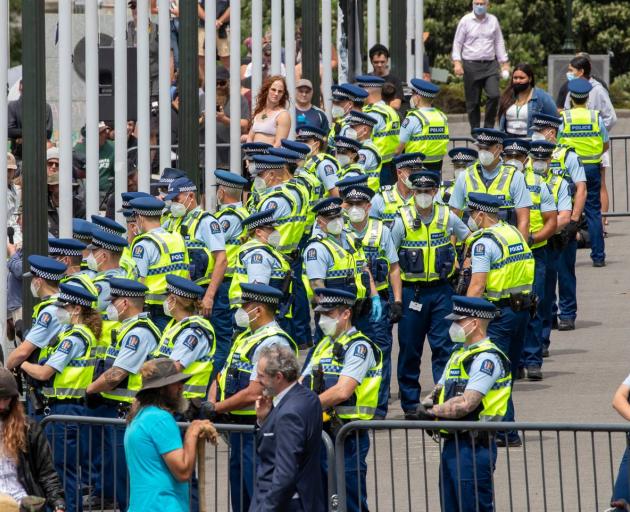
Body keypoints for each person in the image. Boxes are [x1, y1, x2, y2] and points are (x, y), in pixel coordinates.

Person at [201, 283, 298, 512]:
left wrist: (216, 408)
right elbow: (221, 374)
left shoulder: (273, 341)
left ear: (260, 309)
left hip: (258, 429)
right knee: (241, 499)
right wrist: (213, 401)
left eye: (246, 305)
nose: (241, 310)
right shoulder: (247, 337)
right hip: (239, 431)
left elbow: (257, 391)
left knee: (260, 497)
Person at [416, 296, 511, 512]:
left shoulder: (487, 359)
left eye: (459, 321)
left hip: (474, 447)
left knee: (473, 505)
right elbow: (438, 389)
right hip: (453, 443)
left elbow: (468, 403)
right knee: (450, 504)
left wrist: (431, 413)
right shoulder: (459, 355)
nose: (453, 326)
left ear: (475, 323)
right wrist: (426, 404)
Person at [389, 170, 470, 418]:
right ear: (412, 193)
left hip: (441, 291)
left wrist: (463, 267)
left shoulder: (446, 215)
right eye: (418, 191)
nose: (423, 196)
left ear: (435, 192)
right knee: (410, 349)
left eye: (427, 191)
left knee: (444, 347)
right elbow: (392, 261)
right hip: (413, 293)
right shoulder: (401, 219)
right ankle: (410, 403)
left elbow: (470, 237)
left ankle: (442, 399)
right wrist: (397, 300)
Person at [20, 282, 101, 512]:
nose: (60, 310)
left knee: (62, 472)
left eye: (64, 306)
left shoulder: (74, 337)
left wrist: (24, 364)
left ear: (76, 309)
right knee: (63, 470)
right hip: (67, 410)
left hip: (65, 411)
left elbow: (45, 372)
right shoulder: (76, 333)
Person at [301, 287, 383, 512]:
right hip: (321, 433)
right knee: (322, 501)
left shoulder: (359, 347)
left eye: (328, 314)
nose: (322, 320)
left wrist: (302, 407)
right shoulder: (324, 345)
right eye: (320, 314)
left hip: (347, 436)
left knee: (349, 502)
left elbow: (343, 391)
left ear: (345, 314)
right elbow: (302, 381)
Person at [463, 192, 534, 446]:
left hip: (498, 315)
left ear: (481, 215)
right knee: (509, 370)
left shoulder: (484, 243)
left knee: (495, 372)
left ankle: (505, 431)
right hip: (522, 310)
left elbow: (477, 285)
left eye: (471, 214)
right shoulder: (512, 233)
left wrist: (465, 317)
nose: (470, 219)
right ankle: (504, 429)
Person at [124, 358, 218, 512]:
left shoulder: (139, 417)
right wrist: (192, 432)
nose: (181, 387)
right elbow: (183, 472)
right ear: (162, 388)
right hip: (162, 506)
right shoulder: (160, 419)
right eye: (176, 383)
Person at [341, 182, 402, 419]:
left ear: (368, 206)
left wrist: (397, 301)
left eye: (360, 204)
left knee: (379, 355)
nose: (355, 208)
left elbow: (394, 268)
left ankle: (377, 409)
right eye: (351, 204)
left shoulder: (381, 230)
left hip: (378, 305)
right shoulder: (339, 230)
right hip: (348, 305)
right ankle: (348, 405)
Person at [250, 344, 325, 512]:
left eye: (261, 376)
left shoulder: (289, 414)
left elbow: (285, 472)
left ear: (278, 376)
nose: (257, 380)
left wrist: (266, 508)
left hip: (286, 504)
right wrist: (263, 420)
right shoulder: (308, 397)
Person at [530, 113, 586, 332]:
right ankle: (549, 314)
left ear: (551, 133)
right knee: (545, 276)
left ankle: (568, 312)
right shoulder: (532, 156)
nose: (534, 136)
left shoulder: (568, 156)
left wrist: (573, 221)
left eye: (538, 132)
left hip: (564, 224)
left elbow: (581, 188)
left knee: (564, 272)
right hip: (542, 226)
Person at [522, 140, 571, 379]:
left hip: (547, 243)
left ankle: (540, 344)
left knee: (543, 297)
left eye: (544, 159)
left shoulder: (557, 182)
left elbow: (563, 216)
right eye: (536, 158)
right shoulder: (522, 180)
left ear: (550, 160)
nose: (540, 162)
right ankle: (527, 352)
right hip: (523, 246)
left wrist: (542, 233)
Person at [563, 55, 617, 230]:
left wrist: (597, 135)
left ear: (581, 71)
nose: (568, 73)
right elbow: (566, 113)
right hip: (574, 152)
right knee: (575, 188)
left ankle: (600, 223)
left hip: (595, 149)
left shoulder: (597, 90)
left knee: (598, 186)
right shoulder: (572, 89)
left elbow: (611, 117)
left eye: (571, 70)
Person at [559, 78, 609, 268]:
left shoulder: (565, 118)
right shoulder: (595, 117)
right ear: (587, 98)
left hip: (570, 169)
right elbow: (605, 143)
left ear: (571, 98)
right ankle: (598, 256)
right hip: (591, 168)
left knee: (567, 209)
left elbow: (558, 143)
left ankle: (566, 252)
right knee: (593, 211)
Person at [448, 128, 532, 238]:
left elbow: (523, 221)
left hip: (506, 244)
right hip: (473, 244)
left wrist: (520, 250)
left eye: (487, 148)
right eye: (480, 148)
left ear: (499, 148)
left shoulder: (515, 177)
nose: (483, 152)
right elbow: (454, 217)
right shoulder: (465, 175)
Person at [0, 369, 65, 511]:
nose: (2, 406)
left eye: (6, 399)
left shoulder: (28, 428)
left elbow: (46, 471)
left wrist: (58, 503)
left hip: (22, 503)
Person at [152, 275, 216, 408]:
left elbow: (174, 368)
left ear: (173, 299)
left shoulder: (193, 330)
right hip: (170, 398)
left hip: (184, 404)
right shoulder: (176, 325)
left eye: (167, 296)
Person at [129, 196, 189, 329]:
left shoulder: (143, 244)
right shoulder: (177, 237)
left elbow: (139, 283)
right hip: (180, 306)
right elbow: (187, 276)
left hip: (155, 311)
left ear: (140, 218)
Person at [452, 0, 511, 131]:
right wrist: (457, 63)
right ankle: (476, 131)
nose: (479, 6)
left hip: (490, 65)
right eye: (476, 3)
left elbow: (499, 42)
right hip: (470, 65)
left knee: (494, 95)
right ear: (472, 4)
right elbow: (457, 43)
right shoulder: (465, 21)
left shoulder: (493, 21)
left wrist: (504, 63)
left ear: (487, 5)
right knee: (473, 102)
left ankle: (488, 129)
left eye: (482, 3)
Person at [228, 210, 292, 329]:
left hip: (264, 314)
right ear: (258, 232)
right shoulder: (259, 254)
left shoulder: (266, 250)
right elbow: (258, 292)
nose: (276, 232)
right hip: (261, 317)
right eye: (271, 229)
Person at [397, 78, 449, 172]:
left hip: (414, 170)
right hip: (436, 170)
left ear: (418, 97)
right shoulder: (442, 117)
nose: (411, 97)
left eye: (413, 94)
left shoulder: (413, 118)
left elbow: (398, 149)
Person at [356, 74, 400, 185]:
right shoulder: (390, 111)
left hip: (375, 167)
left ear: (366, 92)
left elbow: (362, 140)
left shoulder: (371, 113)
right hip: (390, 165)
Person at [497, 63, 558, 137]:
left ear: (530, 79)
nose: (518, 81)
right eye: (515, 78)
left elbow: (554, 119)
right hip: (508, 142)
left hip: (530, 142)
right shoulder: (506, 96)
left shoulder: (542, 96)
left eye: (521, 78)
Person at [8, 79, 53, 161]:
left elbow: (47, 133)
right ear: (20, 89)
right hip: (18, 155)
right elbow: (10, 131)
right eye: (23, 90)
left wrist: (22, 137)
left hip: (39, 156)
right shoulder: (12, 106)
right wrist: (33, 132)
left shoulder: (45, 107)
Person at [215, 66, 251, 168]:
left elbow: (244, 125)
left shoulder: (239, 99)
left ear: (228, 82)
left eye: (222, 83)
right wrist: (204, 119)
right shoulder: (202, 99)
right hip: (207, 156)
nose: (218, 86)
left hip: (233, 155)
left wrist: (224, 119)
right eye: (215, 83)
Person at [370, 153, 418, 227]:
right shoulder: (381, 198)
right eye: (412, 172)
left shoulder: (425, 195)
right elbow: (372, 229)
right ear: (399, 173)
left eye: (419, 172)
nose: (417, 176)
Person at [73, 122, 116, 203]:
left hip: (107, 193)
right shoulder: (78, 149)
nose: (105, 134)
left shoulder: (112, 147)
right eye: (100, 133)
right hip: (85, 194)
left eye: (105, 131)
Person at [297, 124, 341, 199]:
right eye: (299, 141)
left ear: (317, 144)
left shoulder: (323, 164)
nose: (301, 144)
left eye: (305, 141)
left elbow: (336, 195)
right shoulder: (305, 161)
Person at [343, 110, 382, 191]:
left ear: (364, 130)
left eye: (353, 127)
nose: (349, 130)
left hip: (366, 196)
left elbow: (353, 174)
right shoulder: (359, 147)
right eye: (349, 127)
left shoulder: (365, 151)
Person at [246, 75, 291, 146]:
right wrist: (249, 152)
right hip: (252, 155)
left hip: (270, 156)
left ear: (283, 94)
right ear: (267, 90)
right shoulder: (259, 111)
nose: (276, 94)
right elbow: (250, 137)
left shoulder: (283, 115)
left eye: (280, 91)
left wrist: (266, 157)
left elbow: (279, 144)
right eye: (273, 89)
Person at [327, 83, 368, 150]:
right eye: (333, 102)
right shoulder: (343, 122)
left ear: (350, 104)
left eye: (337, 103)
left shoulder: (351, 127)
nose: (334, 106)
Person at [368, 43, 407, 110]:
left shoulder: (395, 80)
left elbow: (396, 104)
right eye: (376, 62)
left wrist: (373, 103)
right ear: (371, 61)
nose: (379, 65)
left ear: (387, 61)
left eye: (382, 62)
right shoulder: (366, 79)